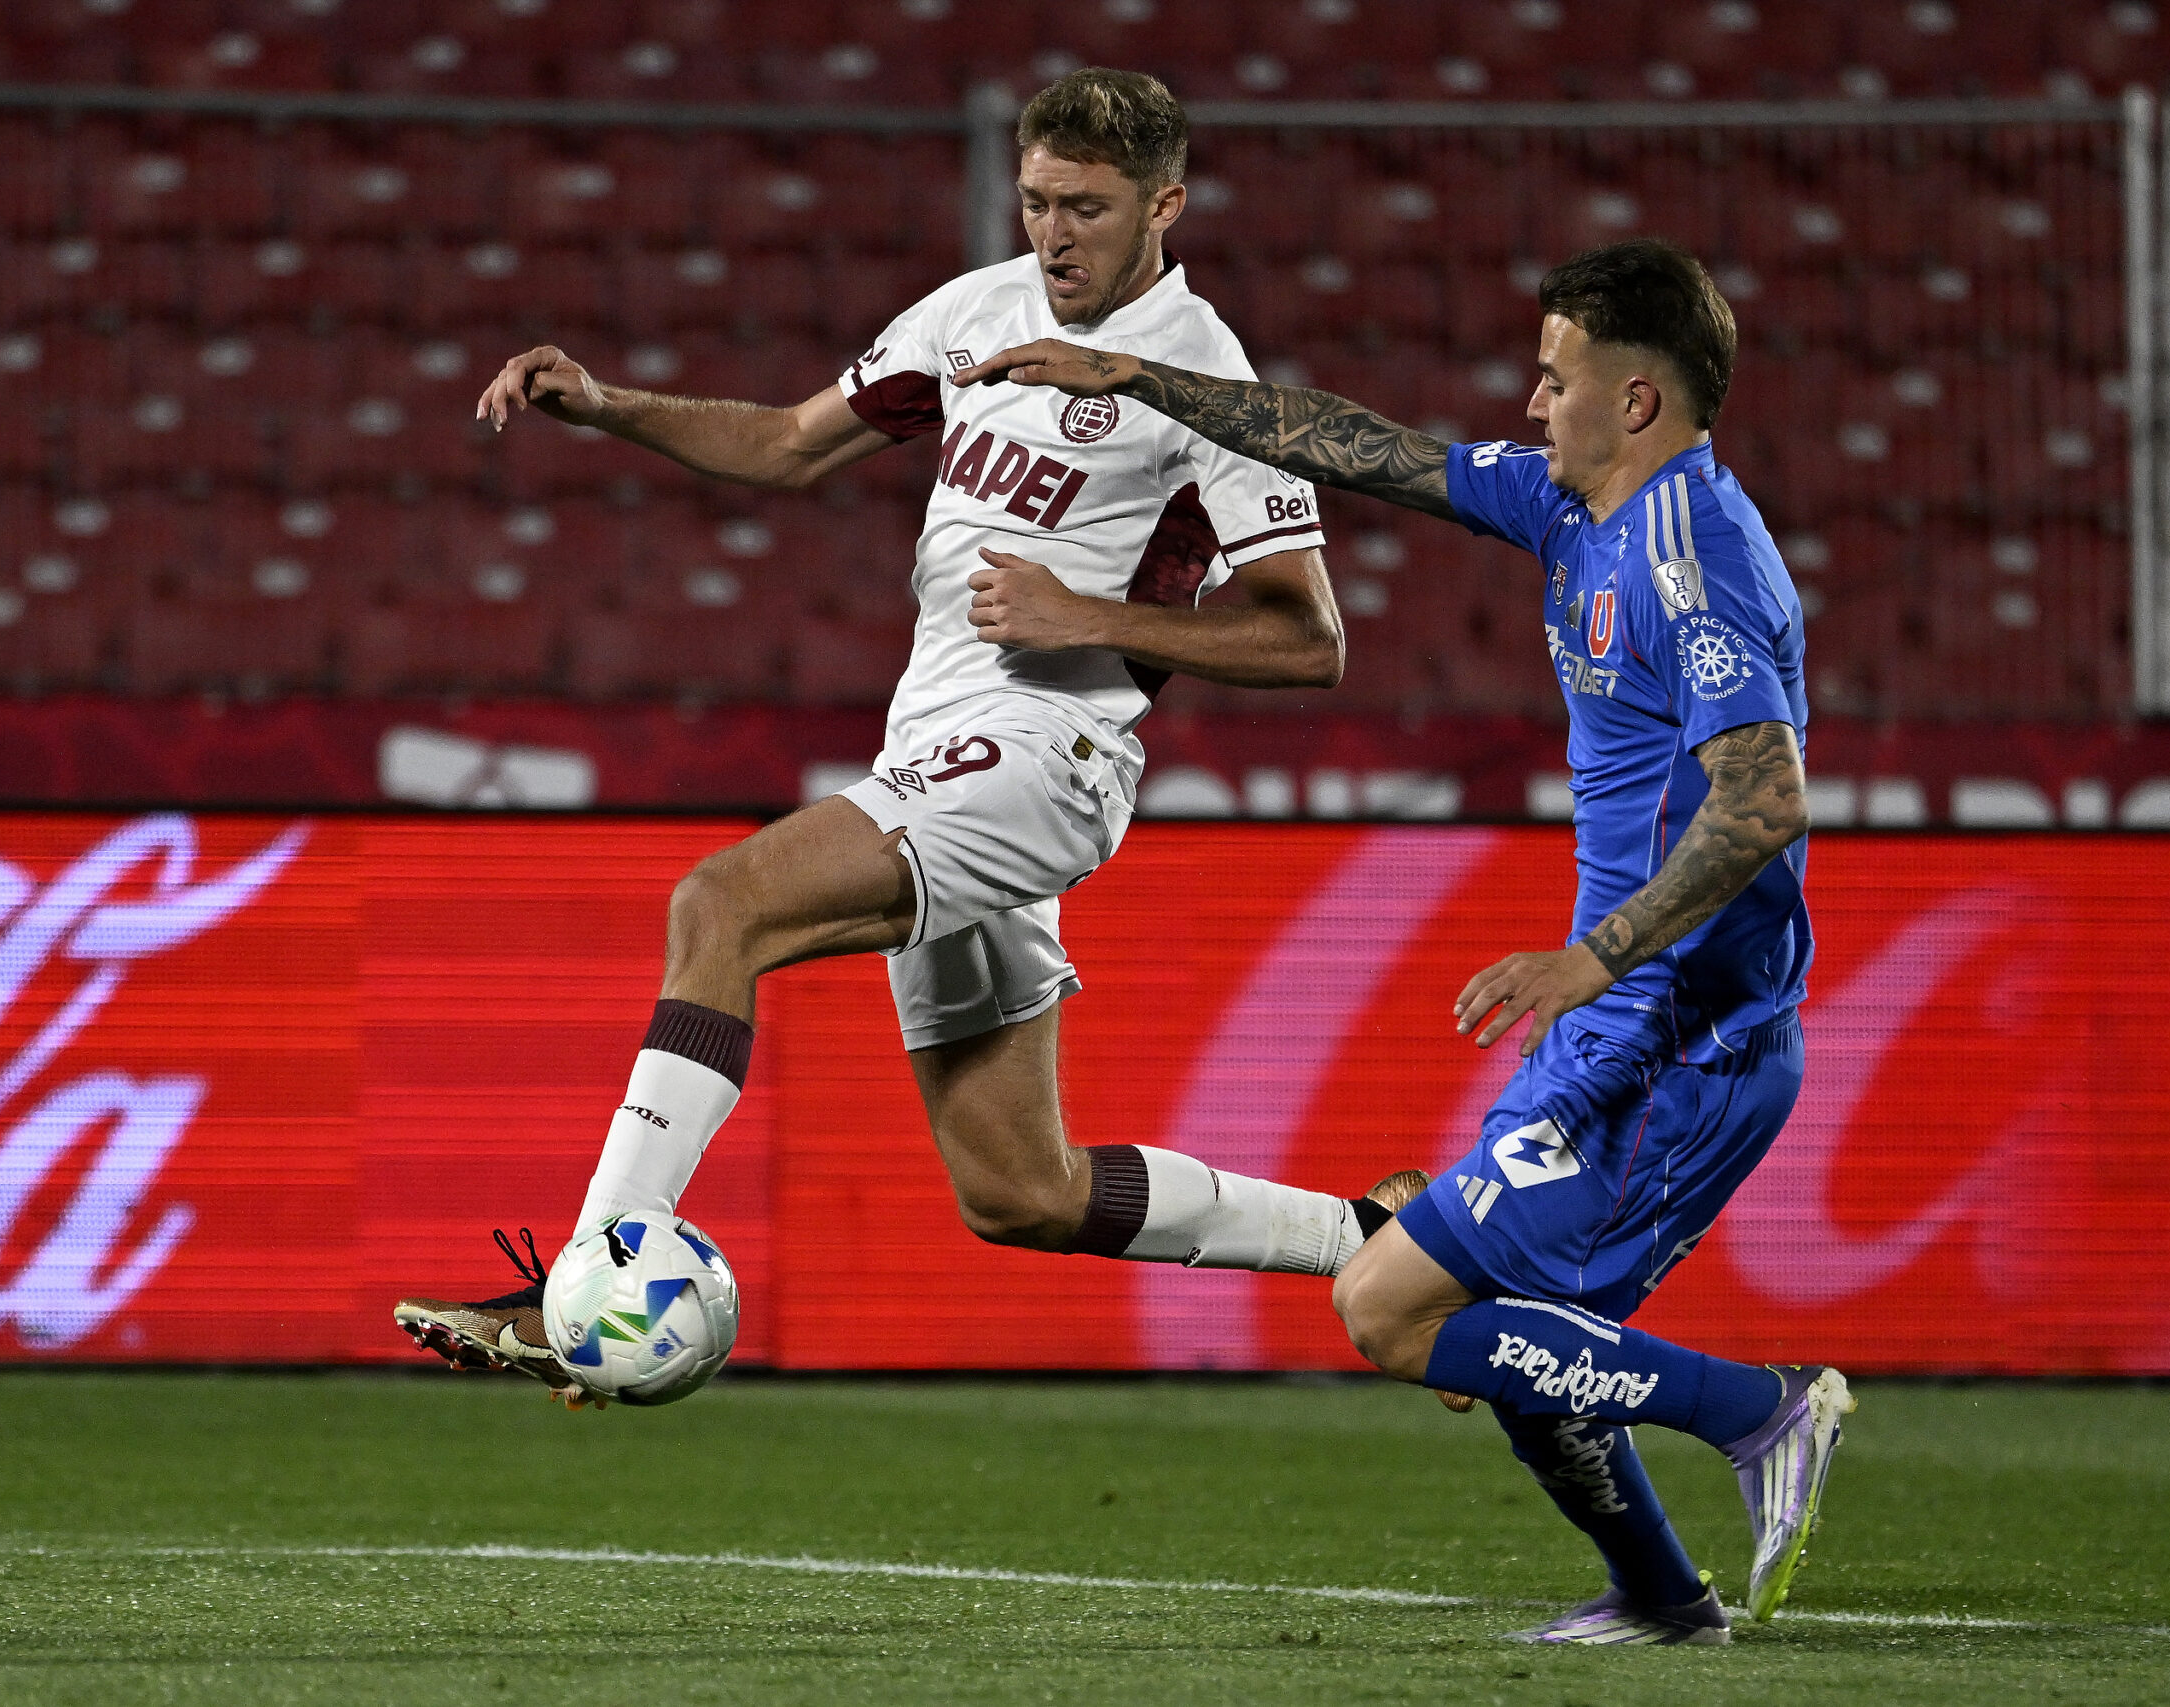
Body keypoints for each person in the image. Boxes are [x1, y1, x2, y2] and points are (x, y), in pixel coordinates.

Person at [395, 68, 1424, 1406]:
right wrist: (610, 405)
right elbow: (788, 443)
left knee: (722, 906)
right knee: (1021, 1191)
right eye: (1037, 201)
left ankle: (588, 1274)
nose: (1054, 234)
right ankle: (1375, 1236)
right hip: (936, 754)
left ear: (1165, 205)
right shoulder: (975, 310)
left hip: (1050, 751)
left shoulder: (1208, 381)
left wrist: (1081, 614)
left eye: (1088, 208)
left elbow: (1309, 639)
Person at [956, 238, 1848, 1644]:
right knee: (1510, 1341)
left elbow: (1766, 799)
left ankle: (1761, 1408)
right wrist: (1136, 374)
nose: (1531, 403)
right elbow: (1358, 445)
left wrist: (1594, 958)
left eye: (1555, 379)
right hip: (1626, 1024)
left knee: (1389, 1307)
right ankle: (1664, 1597)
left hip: (1686, 1041)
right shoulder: (1572, 510)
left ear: (1636, 401)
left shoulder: (1696, 559)